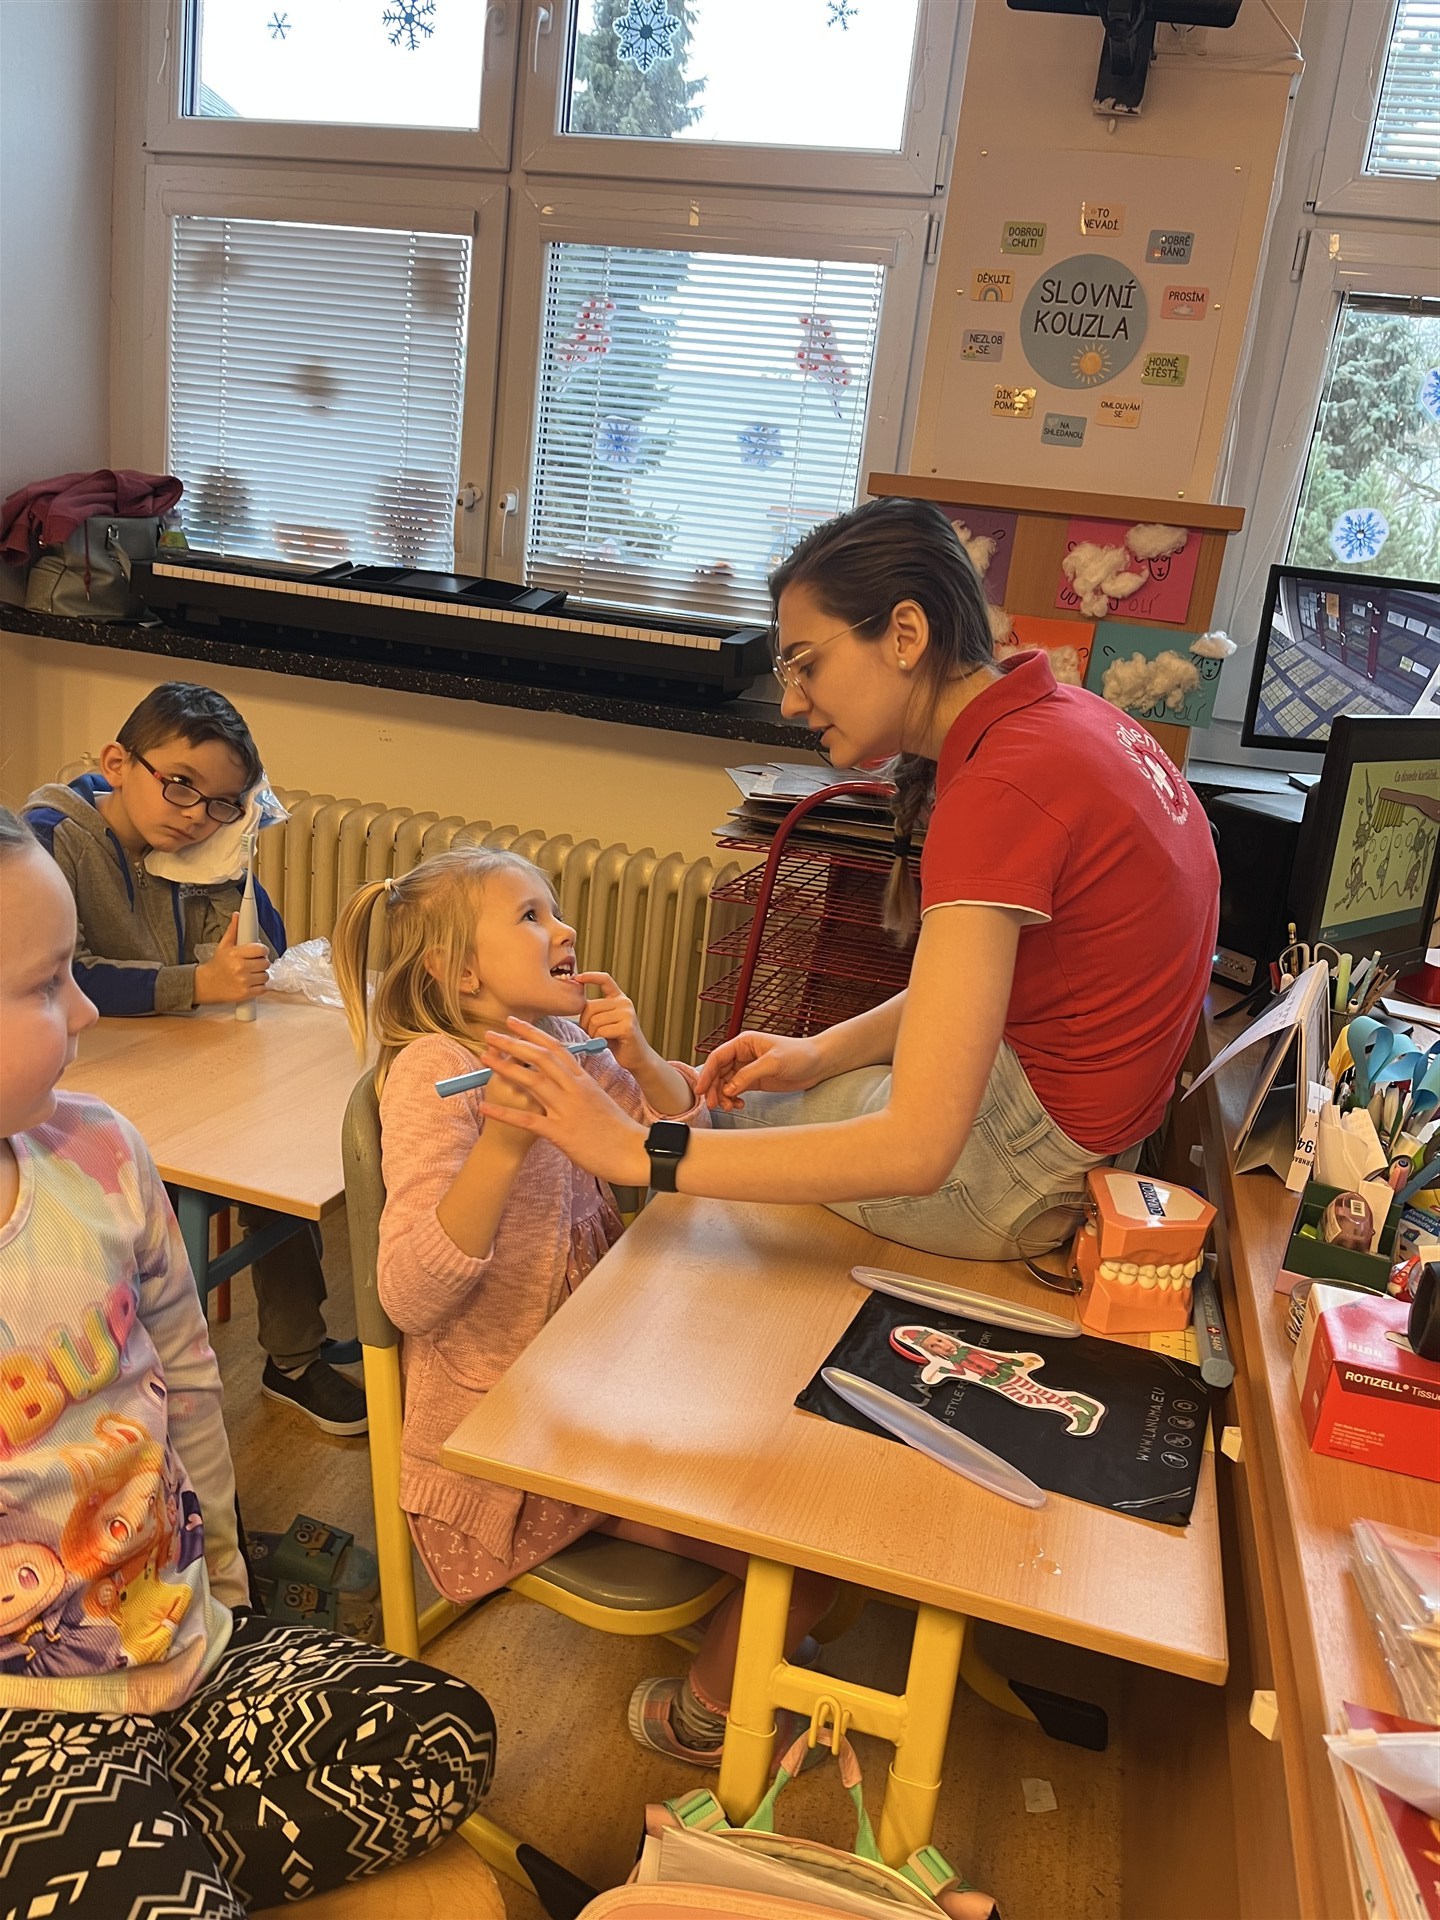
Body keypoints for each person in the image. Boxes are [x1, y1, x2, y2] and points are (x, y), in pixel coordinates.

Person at [462, 496, 1221, 1263]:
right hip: (1074, 1138)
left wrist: (634, 1153)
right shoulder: (1075, 719)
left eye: (807, 664)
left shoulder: (1001, 790)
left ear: (905, 634)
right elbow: (972, 993)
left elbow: (915, 1152)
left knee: (713, 1128)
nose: (792, 700)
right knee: (749, 1101)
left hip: (1026, 1172)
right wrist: (821, 1052)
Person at [0, 806, 492, 1917]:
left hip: (184, 1642)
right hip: (23, 1719)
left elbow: (185, 1384)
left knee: (445, 1738)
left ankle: (152, 1846)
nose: (84, 1008)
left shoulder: (102, 1151)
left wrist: (221, 1583)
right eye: (44, 986)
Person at [331, 847, 835, 1767]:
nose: (563, 929)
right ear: (458, 970)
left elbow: (683, 1144)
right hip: (508, 1449)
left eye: (554, 909)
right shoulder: (431, 1076)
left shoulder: (560, 1040)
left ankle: (758, 1639)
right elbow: (406, 1295)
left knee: (803, 1447)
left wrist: (637, 1056)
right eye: (530, 916)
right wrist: (501, 1145)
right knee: (807, 1539)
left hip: (597, 1380)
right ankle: (704, 1714)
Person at [24, 682, 366, 1436]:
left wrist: (235, 853)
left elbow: (263, 951)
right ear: (118, 763)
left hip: (175, 1058)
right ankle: (141, 1379)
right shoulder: (49, 839)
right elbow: (60, 974)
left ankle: (293, 1357)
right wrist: (196, 984)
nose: (194, 814)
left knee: (269, 1157)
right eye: (180, 784)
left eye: (223, 803)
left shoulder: (198, 846)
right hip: (76, 1078)